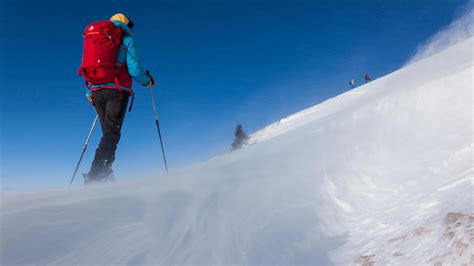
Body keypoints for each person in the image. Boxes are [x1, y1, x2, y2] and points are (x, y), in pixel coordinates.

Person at [81, 13, 155, 183]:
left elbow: (87, 66)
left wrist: (89, 92)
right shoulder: (126, 40)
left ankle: (105, 173)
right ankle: (97, 175)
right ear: (126, 24)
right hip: (117, 91)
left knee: (108, 133)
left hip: (96, 92)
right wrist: (147, 81)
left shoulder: (94, 39)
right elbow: (135, 70)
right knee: (111, 133)